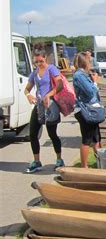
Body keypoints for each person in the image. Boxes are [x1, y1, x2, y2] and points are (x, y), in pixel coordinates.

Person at [23, 43, 65, 173]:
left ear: (45, 58)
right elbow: (26, 89)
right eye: (36, 62)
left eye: (41, 61)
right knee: (33, 134)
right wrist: (29, 95)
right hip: (39, 106)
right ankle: (37, 161)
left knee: (52, 134)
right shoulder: (34, 73)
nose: (39, 64)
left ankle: (59, 159)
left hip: (50, 105)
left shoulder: (52, 69)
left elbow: (60, 85)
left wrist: (49, 95)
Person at [73, 52, 102, 168]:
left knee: (96, 138)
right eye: (89, 61)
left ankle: (100, 163)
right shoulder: (79, 76)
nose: (90, 64)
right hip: (86, 111)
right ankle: (84, 167)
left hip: (91, 111)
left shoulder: (83, 75)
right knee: (87, 139)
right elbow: (90, 92)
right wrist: (95, 82)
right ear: (84, 62)